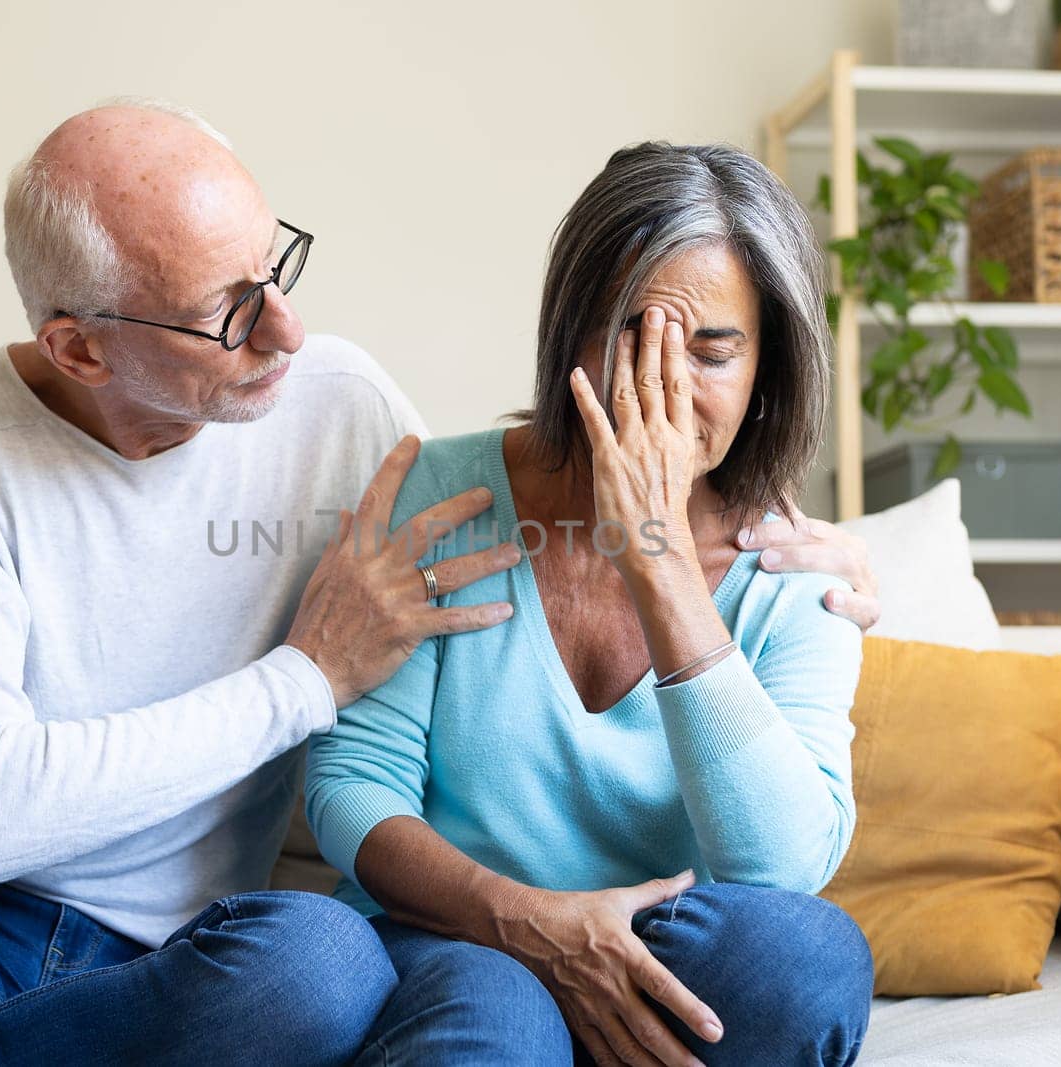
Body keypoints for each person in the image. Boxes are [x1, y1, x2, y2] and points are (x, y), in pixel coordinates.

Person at [0, 103, 876, 1066]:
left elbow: (537, 483)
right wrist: (306, 677)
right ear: (79, 344)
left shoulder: (338, 405)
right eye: (229, 312)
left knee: (318, 967)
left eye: (276, 266)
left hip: (182, 950)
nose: (287, 333)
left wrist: (782, 556)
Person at [307, 141, 875, 1067]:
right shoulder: (445, 495)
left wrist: (659, 560)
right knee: (494, 1019)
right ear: (569, 333)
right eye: (629, 335)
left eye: (712, 351)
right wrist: (532, 921)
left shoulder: (804, 571)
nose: (662, 386)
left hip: (664, 941)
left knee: (806, 960)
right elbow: (351, 787)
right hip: (460, 934)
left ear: (767, 368)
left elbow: (782, 868)